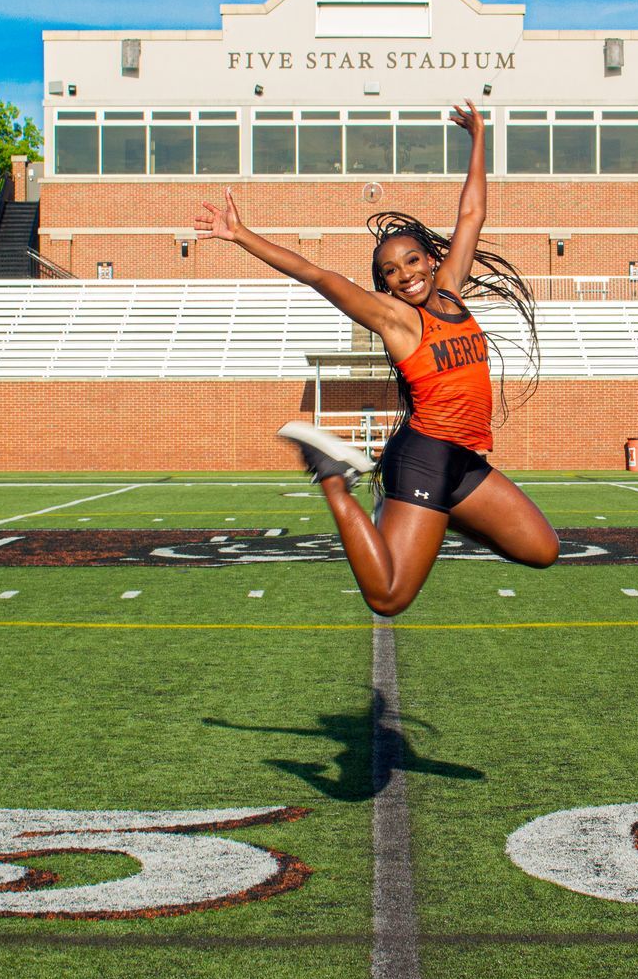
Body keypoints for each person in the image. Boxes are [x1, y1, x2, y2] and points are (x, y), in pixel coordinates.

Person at [193, 100, 558, 615]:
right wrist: (242, 236)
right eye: (389, 271)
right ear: (383, 283)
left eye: (411, 260)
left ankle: (437, 516)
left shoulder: (451, 293)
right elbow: (320, 276)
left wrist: (479, 137)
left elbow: (472, 213)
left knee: (542, 550)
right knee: (388, 596)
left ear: (432, 261)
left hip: (465, 462)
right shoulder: (396, 320)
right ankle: (337, 481)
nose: (404, 274)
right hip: (425, 458)